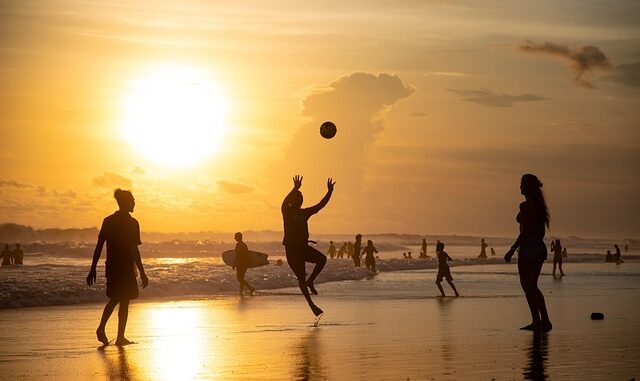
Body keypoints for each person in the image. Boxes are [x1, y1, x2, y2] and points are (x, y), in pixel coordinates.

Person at [86, 189, 148, 346]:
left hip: (114, 267)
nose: (134, 203)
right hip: (125, 267)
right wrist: (142, 272)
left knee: (115, 299)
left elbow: (99, 247)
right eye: (132, 200)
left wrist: (93, 269)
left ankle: (108, 331)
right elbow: (134, 250)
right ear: (126, 202)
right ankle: (116, 335)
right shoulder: (132, 223)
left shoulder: (109, 221)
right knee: (122, 300)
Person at [504, 174, 552, 332]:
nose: (519, 187)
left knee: (527, 286)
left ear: (527, 187)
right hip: (539, 247)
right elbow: (537, 231)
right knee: (533, 286)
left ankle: (536, 321)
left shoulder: (525, 206)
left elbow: (525, 231)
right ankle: (544, 320)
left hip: (529, 248)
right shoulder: (538, 206)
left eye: (521, 184)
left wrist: (512, 249)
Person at [281, 175, 334, 317]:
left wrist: (329, 192)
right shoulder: (287, 212)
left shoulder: (305, 212)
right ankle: (311, 305)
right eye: (297, 198)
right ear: (292, 201)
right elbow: (284, 203)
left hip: (303, 248)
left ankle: (311, 281)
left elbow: (320, 205)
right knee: (301, 278)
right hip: (292, 250)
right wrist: (294, 188)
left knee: (322, 259)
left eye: (301, 198)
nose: (299, 200)